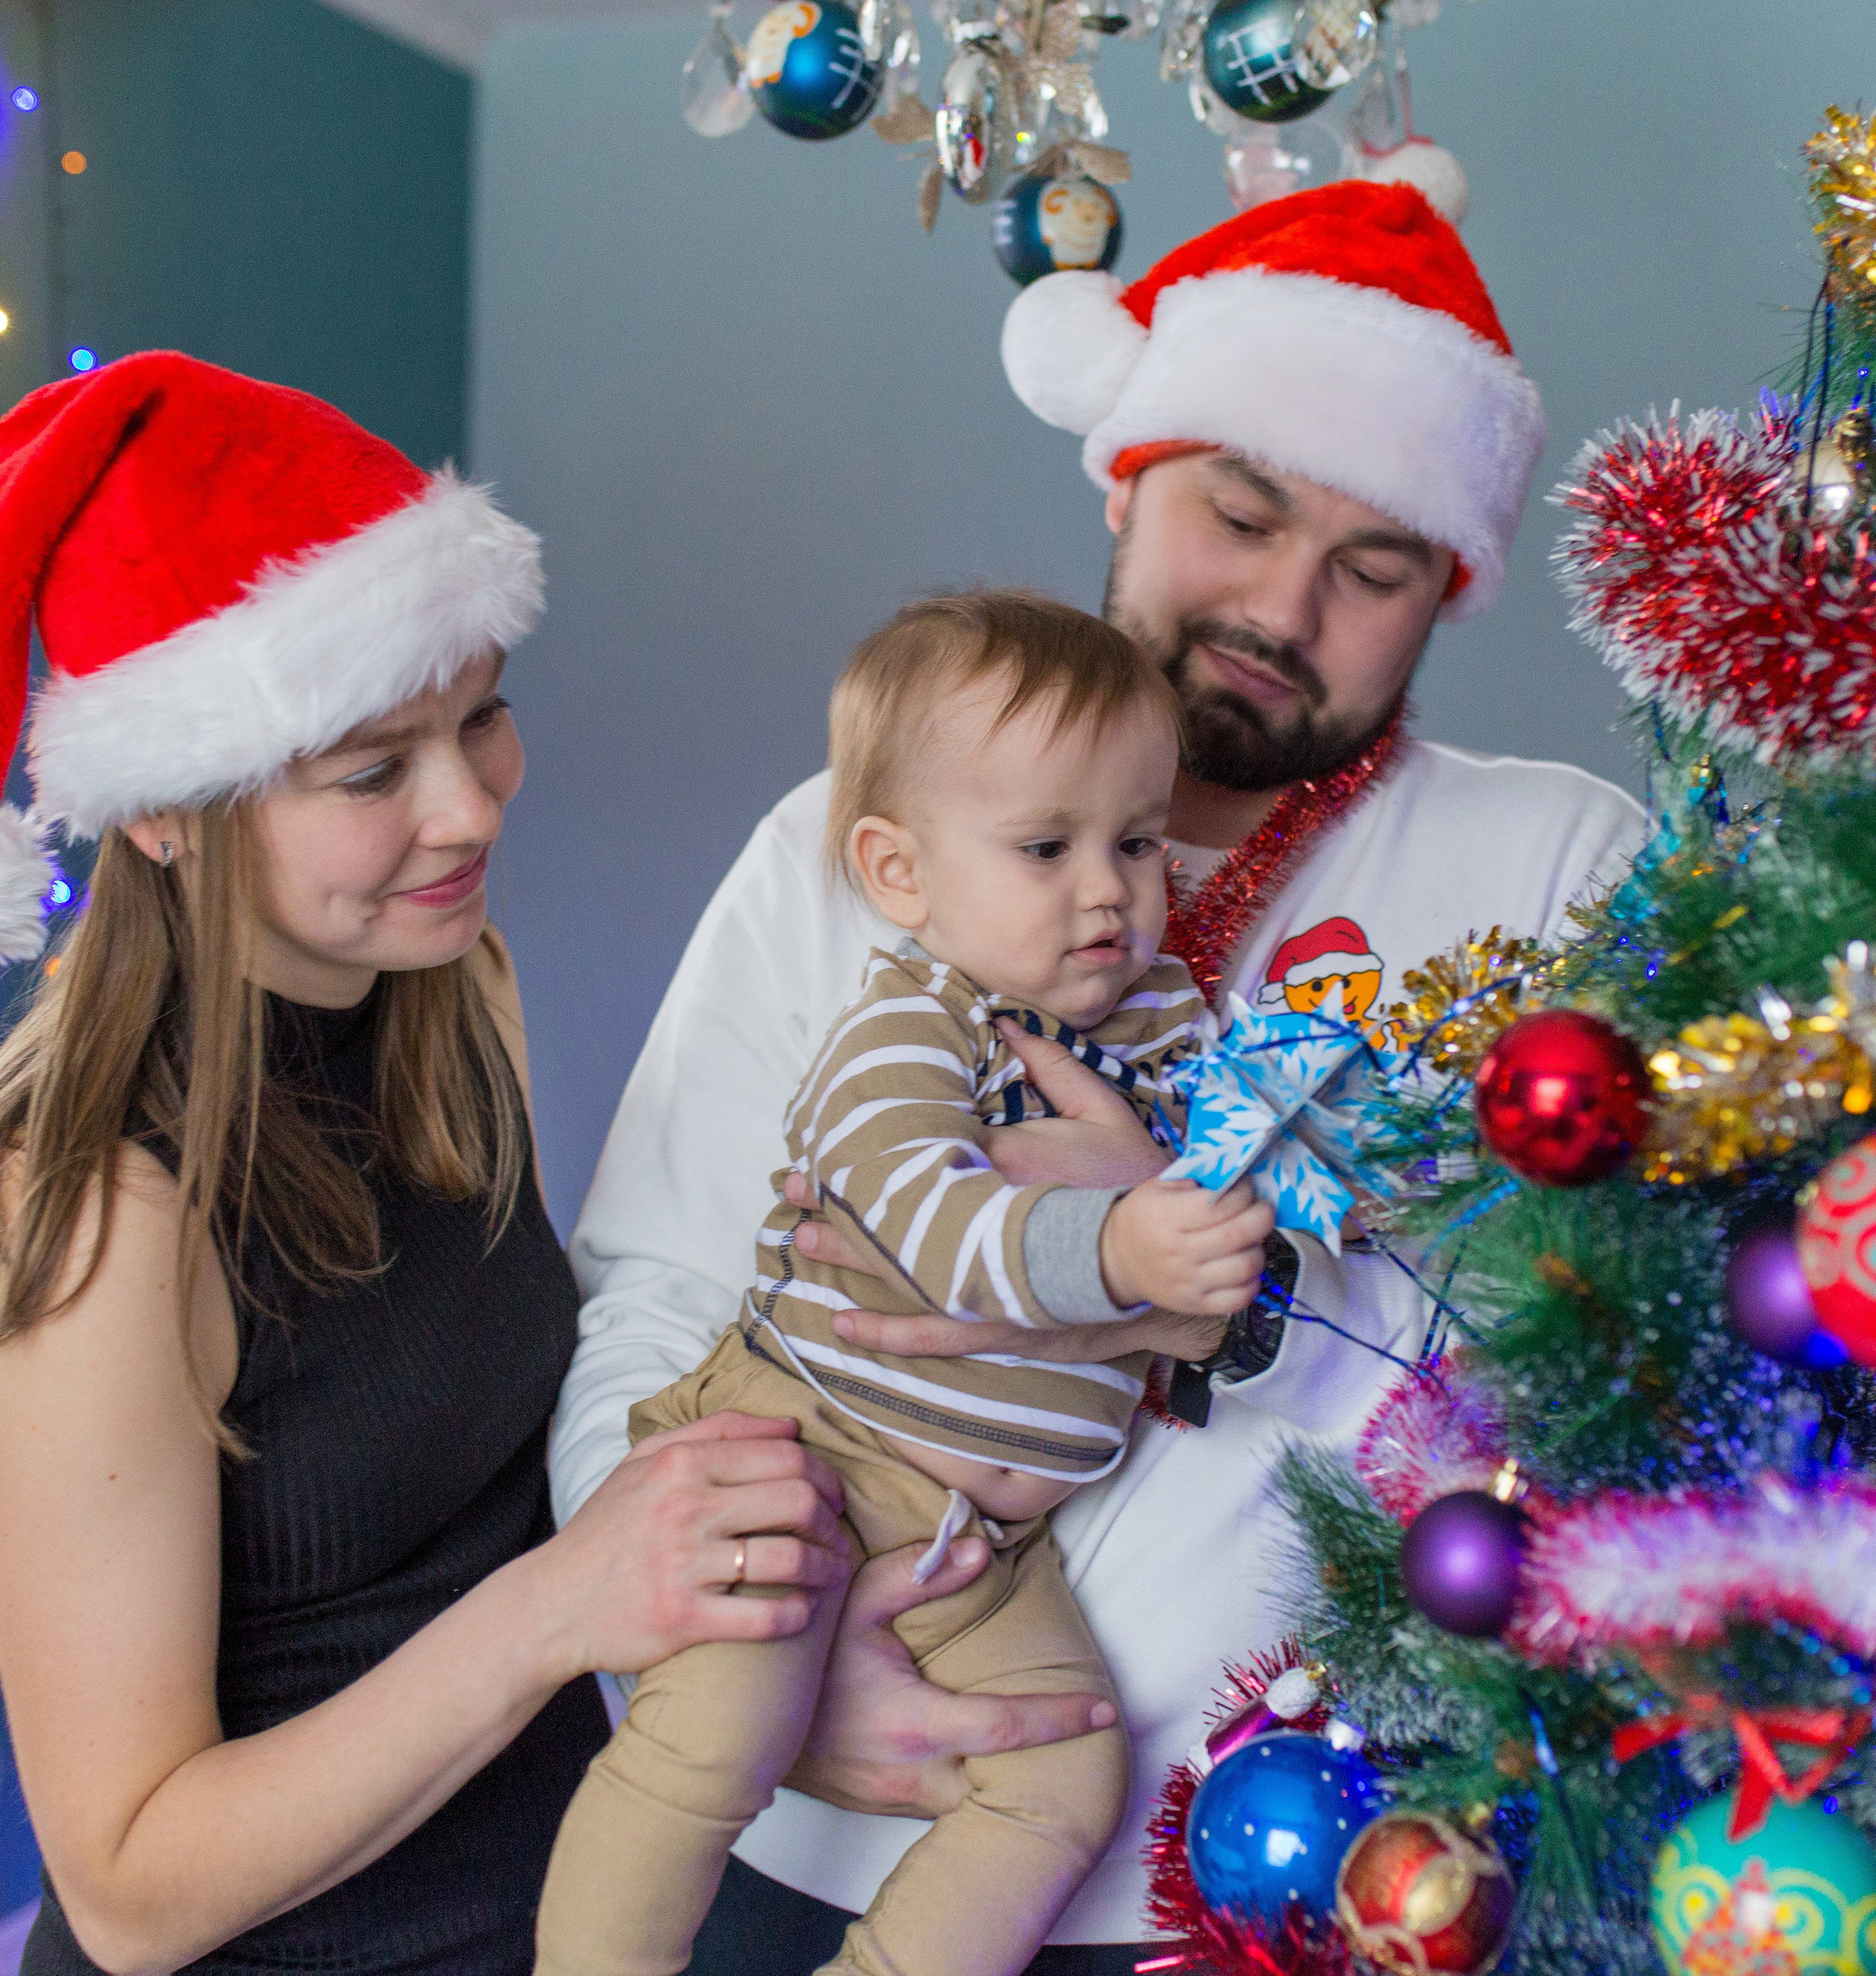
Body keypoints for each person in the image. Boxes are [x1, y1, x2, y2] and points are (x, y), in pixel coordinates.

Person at [550, 181, 1649, 1970]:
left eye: (1372, 569)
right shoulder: (844, 846)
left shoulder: (1549, 868)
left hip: (1301, 1883)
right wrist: (719, 1646)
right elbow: (657, 1288)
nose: (1282, 602)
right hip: (797, 1829)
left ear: (1443, 590)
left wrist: (1185, 1251)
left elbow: (1600, 1368)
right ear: (1123, 472)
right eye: (1240, 507)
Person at [0, 352, 850, 1976]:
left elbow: (481, 1458)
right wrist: (563, 1604)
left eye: (482, 715)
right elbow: (130, 1884)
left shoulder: (443, 998)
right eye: (368, 770)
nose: (468, 805)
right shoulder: (82, 1210)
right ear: (165, 812)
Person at [535, 591, 1275, 1976]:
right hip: (808, 1456)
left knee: (1065, 1782)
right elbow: (928, 1221)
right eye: (1046, 848)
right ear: (900, 872)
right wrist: (1122, 1247)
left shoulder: (1171, 1015)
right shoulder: (909, 1023)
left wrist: (1218, 1235)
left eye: (1136, 840)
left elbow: (1252, 1212)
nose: (1107, 889)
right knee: (710, 1737)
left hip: (979, 1548)